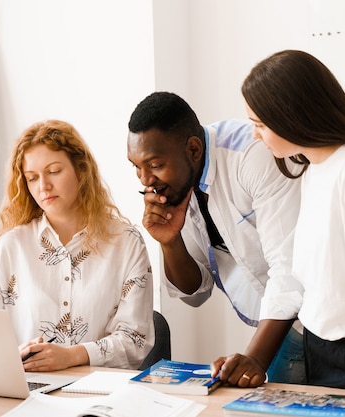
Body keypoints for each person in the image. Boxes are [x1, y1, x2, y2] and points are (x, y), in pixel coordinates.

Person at [214, 49, 345, 406]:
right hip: (321, 347)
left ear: (290, 115)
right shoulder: (314, 167)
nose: (255, 136)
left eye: (259, 123)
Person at [127, 91, 305, 384]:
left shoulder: (252, 156)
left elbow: (290, 269)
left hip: (326, 319)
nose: (145, 180)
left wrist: (255, 358)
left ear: (194, 150)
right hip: (280, 322)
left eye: (155, 165)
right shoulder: (179, 186)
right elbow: (196, 292)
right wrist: (170, 242)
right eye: (136, 166)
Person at [0, 119, 154, 372]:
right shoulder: (11, 247)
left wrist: (72, 355)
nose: (43, 187)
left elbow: (135, 341)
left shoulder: (126, 242)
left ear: (81, 170)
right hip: (28, 393)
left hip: (102, 396)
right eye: (32, 178)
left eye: (53, 171)